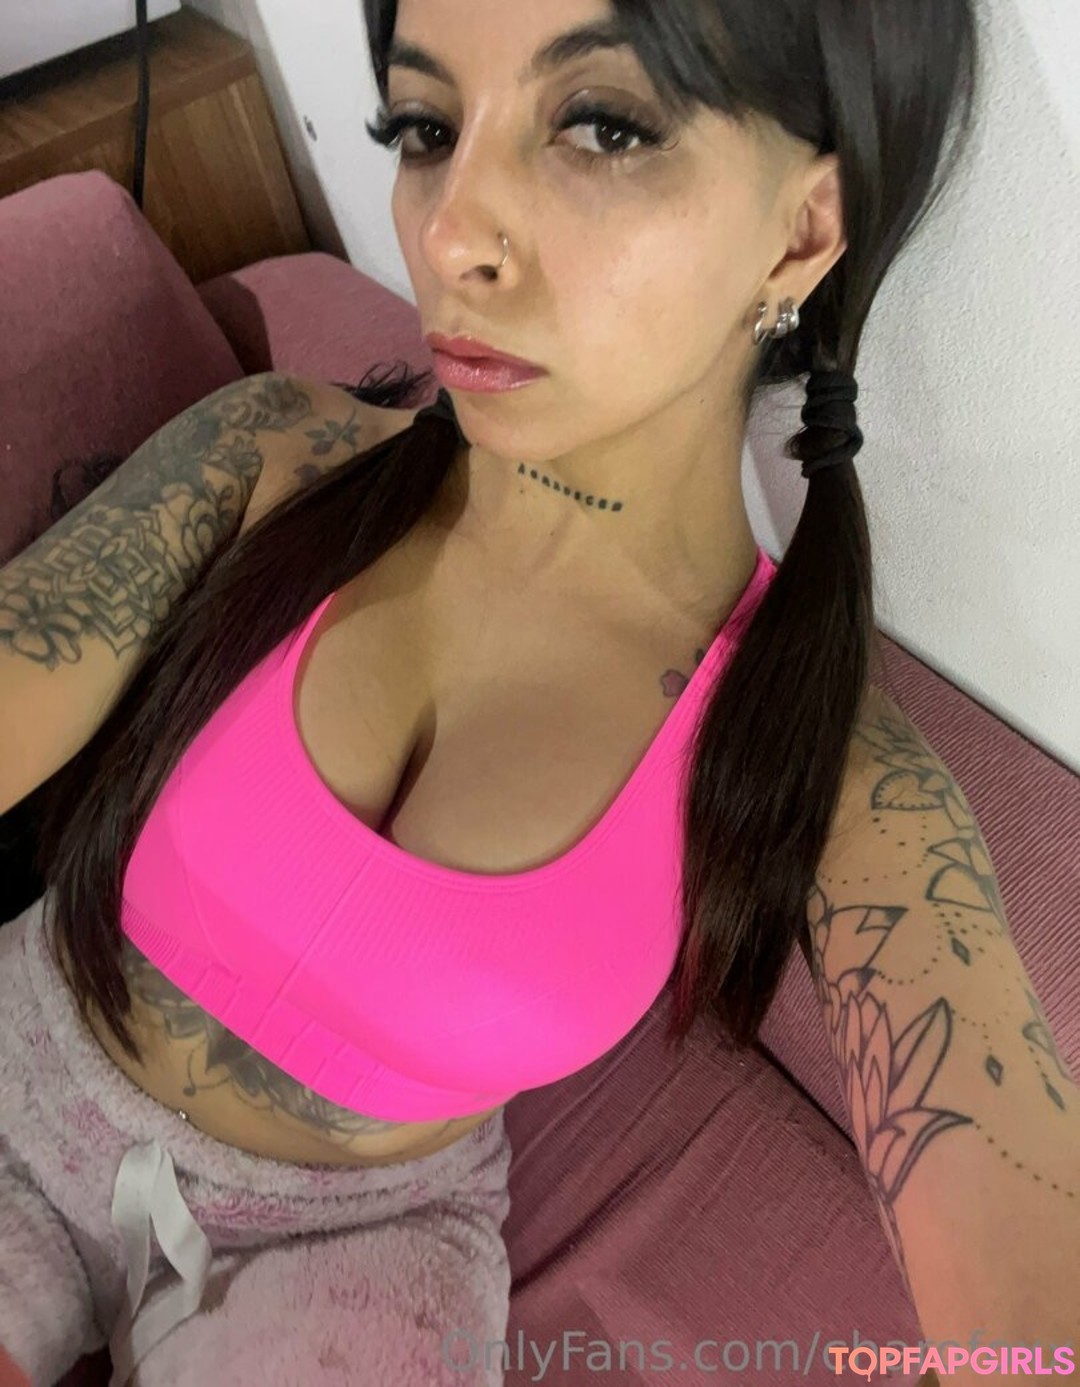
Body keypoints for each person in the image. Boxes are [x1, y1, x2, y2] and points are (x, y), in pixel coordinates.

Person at [2, 2, 1077, 1385]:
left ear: (801, 232)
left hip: (355, 1248)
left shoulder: (826, 766)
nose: (452, 234)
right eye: (426, 129)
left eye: (602, 127)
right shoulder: (275, 458)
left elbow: (1022, 1246)